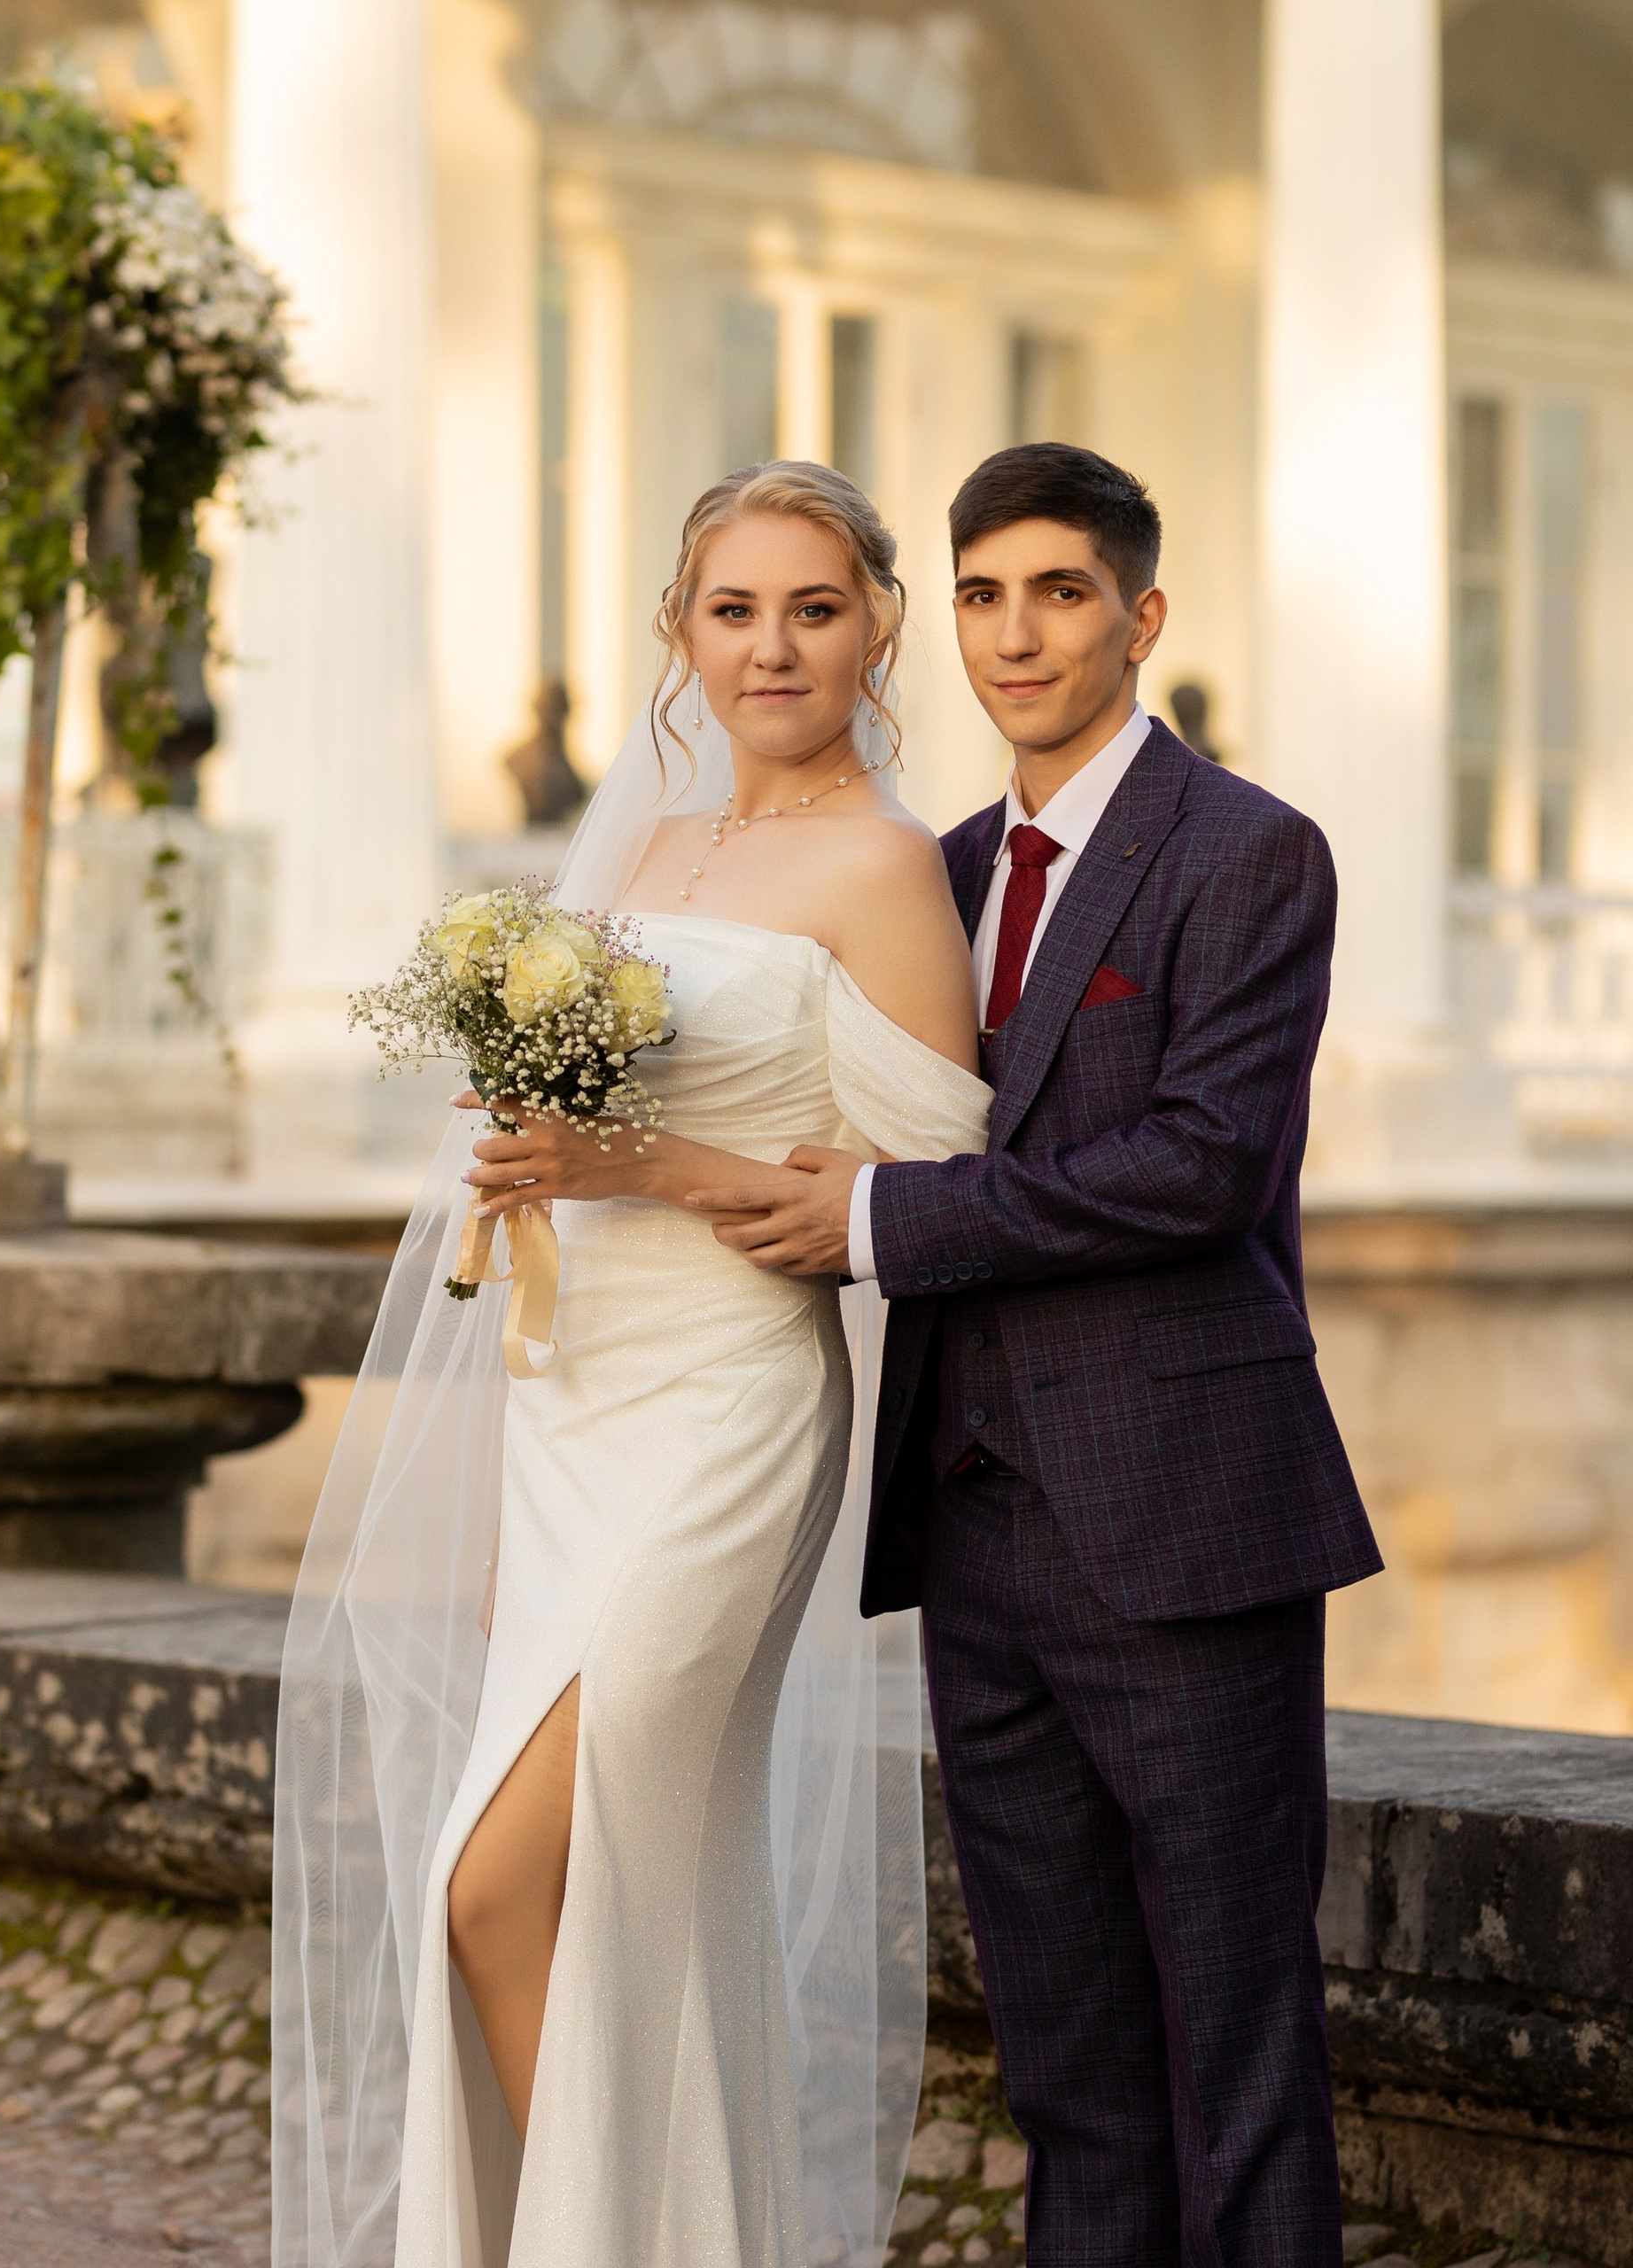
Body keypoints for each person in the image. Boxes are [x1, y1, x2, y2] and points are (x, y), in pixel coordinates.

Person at [269, 461, 991, 2268]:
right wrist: (529, 1139)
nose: (772, 647)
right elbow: (589, 1115)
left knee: (492, 1881)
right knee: (608, 1896)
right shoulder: (656, 852)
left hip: (730, 1409)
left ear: (873, 627)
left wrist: (633, 1163)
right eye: (733, 610)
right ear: (679, 633)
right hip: (571, 1394)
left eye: (812, 609)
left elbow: (932, 1195)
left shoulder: (888, 862)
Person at [687, 442, 1382, 2267]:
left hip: (1180, 1520)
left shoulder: (1246, 851)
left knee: (1233, 2046)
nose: (1016, 631)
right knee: (1062, 2064)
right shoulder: (933, 866)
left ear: (1138, 616)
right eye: (982, 592)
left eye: (1059, 590)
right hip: (969, 1520)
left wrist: (882, 1221)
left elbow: (1197, 1163)